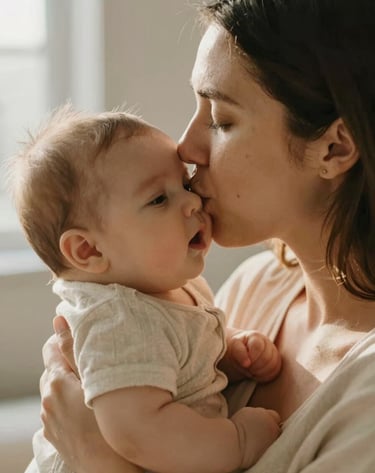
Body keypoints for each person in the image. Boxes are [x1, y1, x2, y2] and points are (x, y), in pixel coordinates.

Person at [26, 0, 375, 471]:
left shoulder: (364, 395)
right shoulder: (258, 287)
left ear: (334, 147)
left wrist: (95, 458)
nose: (186, 148)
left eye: (222, 120)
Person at [8, 105, 281, 473]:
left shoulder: (167, 289)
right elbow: (139, 432)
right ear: (88, 250)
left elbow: (173, 364)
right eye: (158, 199)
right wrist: (239, 440)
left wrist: (226, 353)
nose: (192, 200)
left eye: (183, 185)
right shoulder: (119, 321)